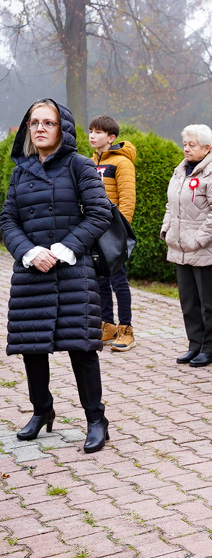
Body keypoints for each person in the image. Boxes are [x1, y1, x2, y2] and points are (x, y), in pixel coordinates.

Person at [0, 98, 112, 453]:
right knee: (32, 348)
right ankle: (41, 411)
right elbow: (7, 220)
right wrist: (29, 252)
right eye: (35, 123)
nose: (41, 129)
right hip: (32, 272)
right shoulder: (21, 172)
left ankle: (96, 420)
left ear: (62, 128)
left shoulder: (80, 166)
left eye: (48, 122)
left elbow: (99, 213)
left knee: (81, 348)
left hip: (72, 272)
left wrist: (64, 249)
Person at [160, 124, 212, 368]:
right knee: (189, 301)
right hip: (180, 248)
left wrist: (198, 240)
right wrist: (167, 230)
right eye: (185, 144)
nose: (186, 148)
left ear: (207, 148)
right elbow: (172, 205)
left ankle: (209, 349)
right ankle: (194, 345)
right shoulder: (181, 170)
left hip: (206, 249)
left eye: (192, 145)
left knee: (209, 302)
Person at [89, 115, 137, 352]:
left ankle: (126, 328)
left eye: (97, 132)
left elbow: (127, 200)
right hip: (94, 231)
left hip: (113, 232)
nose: (91, 136)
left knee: (119, 281)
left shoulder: (122, 163)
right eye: (90, 131)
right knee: (100, 281)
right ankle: (107, 324)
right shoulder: (89, 162)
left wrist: (120, 233)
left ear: (111, 138)